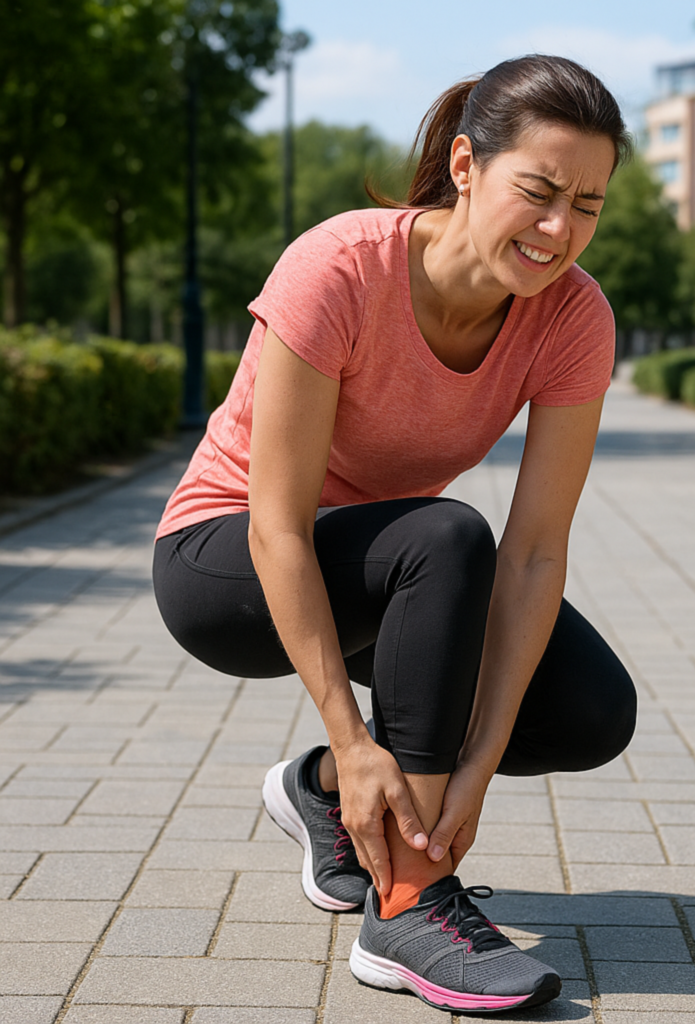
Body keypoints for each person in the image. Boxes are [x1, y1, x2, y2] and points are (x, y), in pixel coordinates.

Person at [152, 54, 637, 1014]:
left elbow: (537, 551)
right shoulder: (339, 266)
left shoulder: (574, 317)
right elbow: (279, 526)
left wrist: (480, 758)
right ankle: (408, 905)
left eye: (587, 205)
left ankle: (327, 790)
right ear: (466, 165)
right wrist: (352, 724)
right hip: (226, 561)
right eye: (537, 192)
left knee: (589, 710)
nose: (558, 231)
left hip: (391, 570)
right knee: (449, 536)